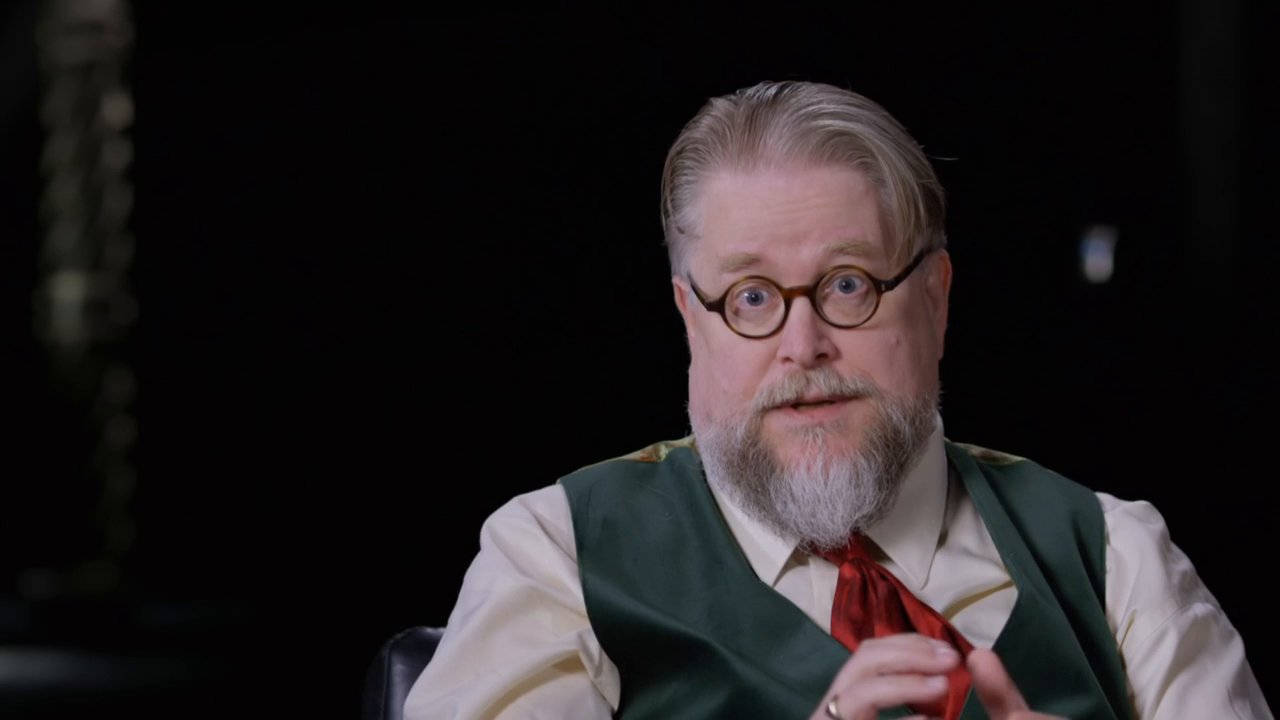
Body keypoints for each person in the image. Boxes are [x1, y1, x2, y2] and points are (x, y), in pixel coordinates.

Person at [404, 81, 1271, 720]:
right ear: (690, 321)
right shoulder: (557, 553)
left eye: (849, 284)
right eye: (751, 297)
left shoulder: (1117, 556)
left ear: (935, 301)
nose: (803, 344)